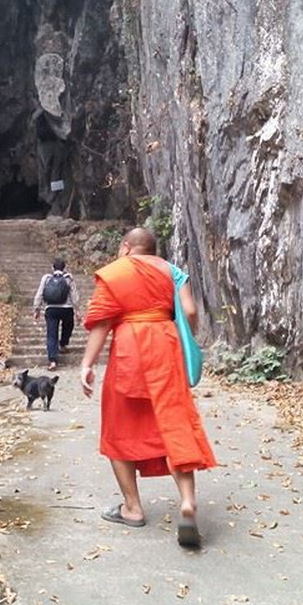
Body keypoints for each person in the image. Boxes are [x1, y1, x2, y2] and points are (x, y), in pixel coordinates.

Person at [79, 227, 216, 548]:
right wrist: (184, 336)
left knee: (117, 426)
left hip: (130, 350)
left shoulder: (115, 273)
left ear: (127, 247)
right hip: (166, 348)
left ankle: (132, 508)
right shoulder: (170, 271)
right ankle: (187, 501)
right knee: (174, 424)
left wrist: (86, 364)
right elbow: (192, 311)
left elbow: (101, 323)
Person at [33, 256, 81, 371]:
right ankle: (63, 344)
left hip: (51, 309)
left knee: (51, 335)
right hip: (67, 309)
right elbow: (74, 295)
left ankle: (53, 361)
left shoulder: (46, 278)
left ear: (52, 268)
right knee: (68, 326)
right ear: (65, 268)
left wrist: (37, 309)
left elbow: (39, 294)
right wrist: (78, 311)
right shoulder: (68, 277)